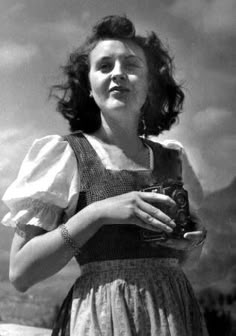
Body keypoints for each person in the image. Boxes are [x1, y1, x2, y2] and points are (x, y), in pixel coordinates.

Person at [2, 15, 208, 336]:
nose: (117, 74)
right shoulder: (66, 156)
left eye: (130, 65)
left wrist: (190, 243)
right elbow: (20, 272)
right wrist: (97, 213)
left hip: (173, 317)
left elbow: (183, 262)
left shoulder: (172, 157)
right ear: (89, 84)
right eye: (104, 66)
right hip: (102, 320)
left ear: (151, 82)